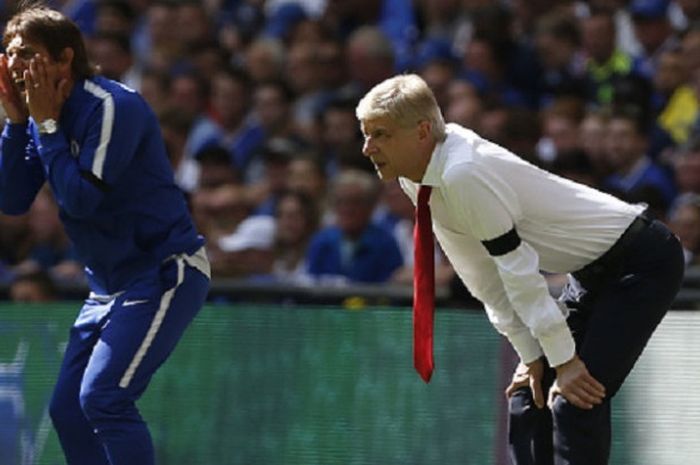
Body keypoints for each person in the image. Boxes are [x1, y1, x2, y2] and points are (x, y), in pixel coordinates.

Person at [355, 74, 684, 465]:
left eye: (380, 134)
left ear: (423, 131)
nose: (366, 148)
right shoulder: (417, 173)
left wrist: (563, 361)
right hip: (589, 270)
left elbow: (517, 270)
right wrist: (532, 355)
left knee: (573, 400)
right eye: (366, 134)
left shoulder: (463, 173)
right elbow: (481, 276)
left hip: (641, 261)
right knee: (529, 398)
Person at [0, 7, 210, 465]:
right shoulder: (39, 116)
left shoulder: (112, 105)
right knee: (68, 409)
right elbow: (12, 200)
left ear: (64, 60)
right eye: (10, 53)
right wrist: (17, 125)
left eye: (29, 54)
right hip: (108, 285)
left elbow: (80, 200)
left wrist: (47, 127)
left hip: (163, 270)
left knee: (103, 397)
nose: (15, 64)